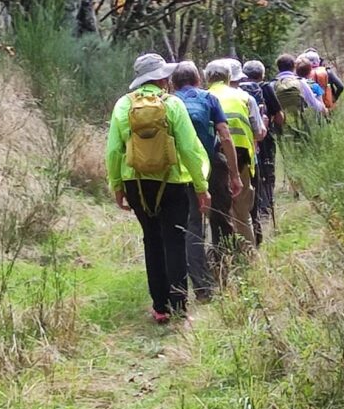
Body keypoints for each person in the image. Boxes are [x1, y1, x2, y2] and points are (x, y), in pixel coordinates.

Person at [106, 53, 211, 323]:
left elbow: (114, 150)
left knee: (151, 239)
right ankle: (179, 306)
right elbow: (189, 149)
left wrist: (117, 185)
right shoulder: (173, 104)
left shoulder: (123, 105)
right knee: (174, 241)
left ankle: (160, 308)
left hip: (135, 183)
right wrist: (201, 186)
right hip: (172, 181)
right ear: (163, 78)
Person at [171, 61, 243, 300]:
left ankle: (202, 287)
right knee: (221, 218)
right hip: (211, 166)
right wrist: (234, 174)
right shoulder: (209, 99)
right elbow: (225, 136)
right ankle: (225, 271)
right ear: (198, 80)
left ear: (173, 83)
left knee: (192, 225)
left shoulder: (169, 102)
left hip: (180, 171)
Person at [205, 59, 258, 252]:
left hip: (212, 159)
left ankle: (221, 255)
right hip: (242, 157)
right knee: (242, 213)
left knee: (216, 211)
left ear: (207, 79)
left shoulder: (203, 97)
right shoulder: (245, 97)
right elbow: (259, 132)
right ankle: (250, 256)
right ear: (229, 77)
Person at [242, 59, 282, 221]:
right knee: (267, 169)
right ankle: (267, 204)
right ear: (262, 74)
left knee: (250, 170)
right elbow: (279, 117)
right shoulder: (266, 88)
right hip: (264, 135)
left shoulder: (238, 90)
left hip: (245, 138)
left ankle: (254, 205)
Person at [272, 53, 326, 139]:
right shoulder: (300, 82)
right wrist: (323, 109)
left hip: (281, 129)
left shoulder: (272, 84)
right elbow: (314, 103)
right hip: (300, 126)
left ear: (278, 68)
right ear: (294, 67)